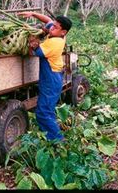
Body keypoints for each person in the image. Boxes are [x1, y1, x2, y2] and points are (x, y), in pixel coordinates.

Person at [17, 11, 72, 142]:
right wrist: (33, 14)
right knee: (47, 110)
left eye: (55, 27)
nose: (51, 28)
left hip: (51, 79)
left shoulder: (55, 43)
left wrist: (32, 39)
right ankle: (50, 135)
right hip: (52, 76)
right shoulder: (56, 34)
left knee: (42, 113)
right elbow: (48, 20)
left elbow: (36, 52)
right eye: (53, 26)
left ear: (63, 32)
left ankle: (57, 141)